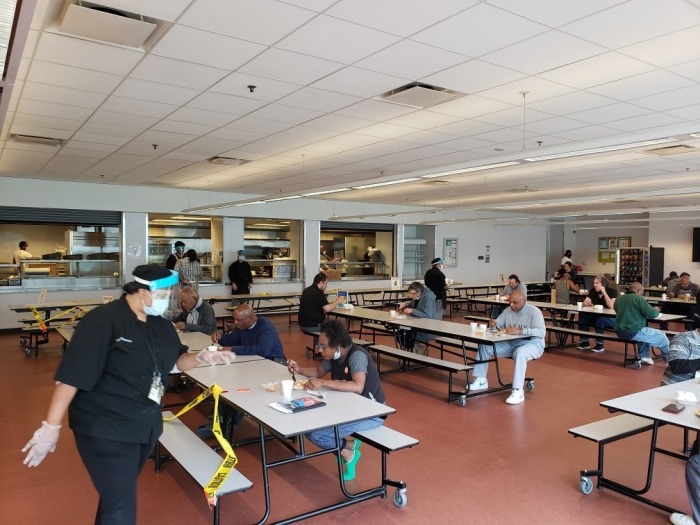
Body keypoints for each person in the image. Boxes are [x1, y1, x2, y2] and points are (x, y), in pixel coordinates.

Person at [20, 265, 233, 524]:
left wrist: (200, 357)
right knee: (121, 504)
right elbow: (71, 376)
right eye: (163, 292)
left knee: (115, 495)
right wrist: (50, 427)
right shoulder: (102, 321)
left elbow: (175, 362)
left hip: (144, 426)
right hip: (104, 426)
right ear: (142, 291)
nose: (169, 298)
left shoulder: (160, 325)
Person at [286, 319, 385, 481]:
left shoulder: (357, 356)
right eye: (319, 345)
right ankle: (349, 445)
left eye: (323, 347)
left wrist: (323, 383)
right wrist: (299, 369)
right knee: (307, 425)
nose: (319, 350)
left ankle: (349, 453)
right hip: (349, 408)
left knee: (316, 434)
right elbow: (318, 371)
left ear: (337, 346)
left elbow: (358, 386)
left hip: (373, 413)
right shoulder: (334, 356)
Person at [199, 304, 286, 438]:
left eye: (238, 320)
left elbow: (263, 351)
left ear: (250, 318)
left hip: (273, 363)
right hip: (255, 363)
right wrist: (220, 337)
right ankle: (214, 422)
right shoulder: (242, 327)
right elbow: (232, 340)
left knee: (243, 387)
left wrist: (233, 349)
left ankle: (228, 425)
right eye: (235, 319)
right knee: (227, 384)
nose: (235, 322)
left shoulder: (265, 327)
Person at [469, 290, 545, 405]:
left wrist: (521, 331)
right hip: (511, 343)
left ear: (524, 301)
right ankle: (481, 380)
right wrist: (493, 325)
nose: (511, 305)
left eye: (515, 303)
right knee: (484, 345)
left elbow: (541, 332)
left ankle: (518, 390)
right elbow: (497, 326)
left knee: (520, 353)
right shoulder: (508, 311)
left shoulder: (534, 312)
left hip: (533, 344)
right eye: (510, 302)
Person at [661, 328, 700, 525]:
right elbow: (677, 365)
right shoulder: (684, 339)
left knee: (695, 462)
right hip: (674, 398)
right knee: (695, 462)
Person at [614, 281, 669, 365]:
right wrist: (656, 310)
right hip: (633, 331)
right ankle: (671, 361)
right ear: (638, 291)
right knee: (662, 337)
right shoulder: (638, 299)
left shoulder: (619, 299)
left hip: (620, 331)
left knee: (645, 330)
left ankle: (645, 356)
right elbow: (652, 314)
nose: (642, 294)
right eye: (642, 292)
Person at [577, 275, 618, 353]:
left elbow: (611, 306)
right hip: (596, 315)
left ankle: (600, 344)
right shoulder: (593, 291)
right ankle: (585, 342)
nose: (594, 285)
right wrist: (586, 303)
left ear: (603, 285)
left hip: (610, 318)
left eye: (597, 283)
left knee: (600, 320)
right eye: (594, 283)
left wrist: (604, 293)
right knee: (583, 317)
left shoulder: (612, 292)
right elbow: (585, 302)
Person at [397, 281, 438, 356]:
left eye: (413, 293)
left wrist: (412, 310)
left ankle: (416, 352)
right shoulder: (417, 296)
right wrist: (406, 305)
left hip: (427, 327)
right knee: (400, 333)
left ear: (419, 292)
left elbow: (428, 315)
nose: (410, 295)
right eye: (409, 293)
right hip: (417, 324)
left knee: (404, 334)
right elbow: (413, 305)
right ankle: (416, 351)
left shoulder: (429, 297)